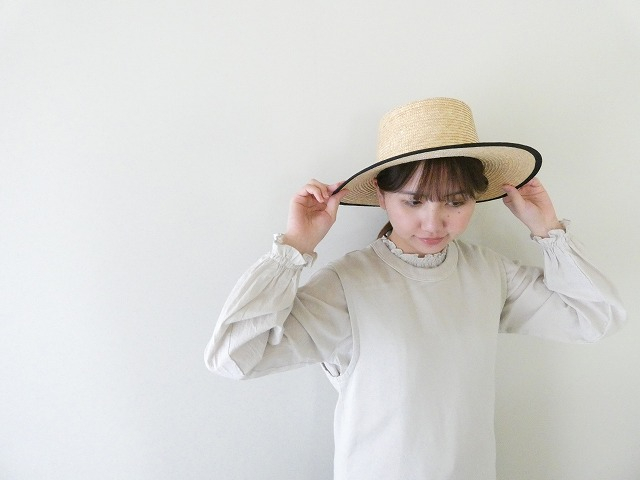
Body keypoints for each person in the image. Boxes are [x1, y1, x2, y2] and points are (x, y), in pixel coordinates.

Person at [204, 98, 626, 480]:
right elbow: (234, 357)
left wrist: (548, 230)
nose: (434, 222)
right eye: (413, 201)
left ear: (475, 199)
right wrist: (295, 247)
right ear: (382, 196)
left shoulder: (488, 272)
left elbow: (595, 318)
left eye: (456, 202)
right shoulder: (349, 283)